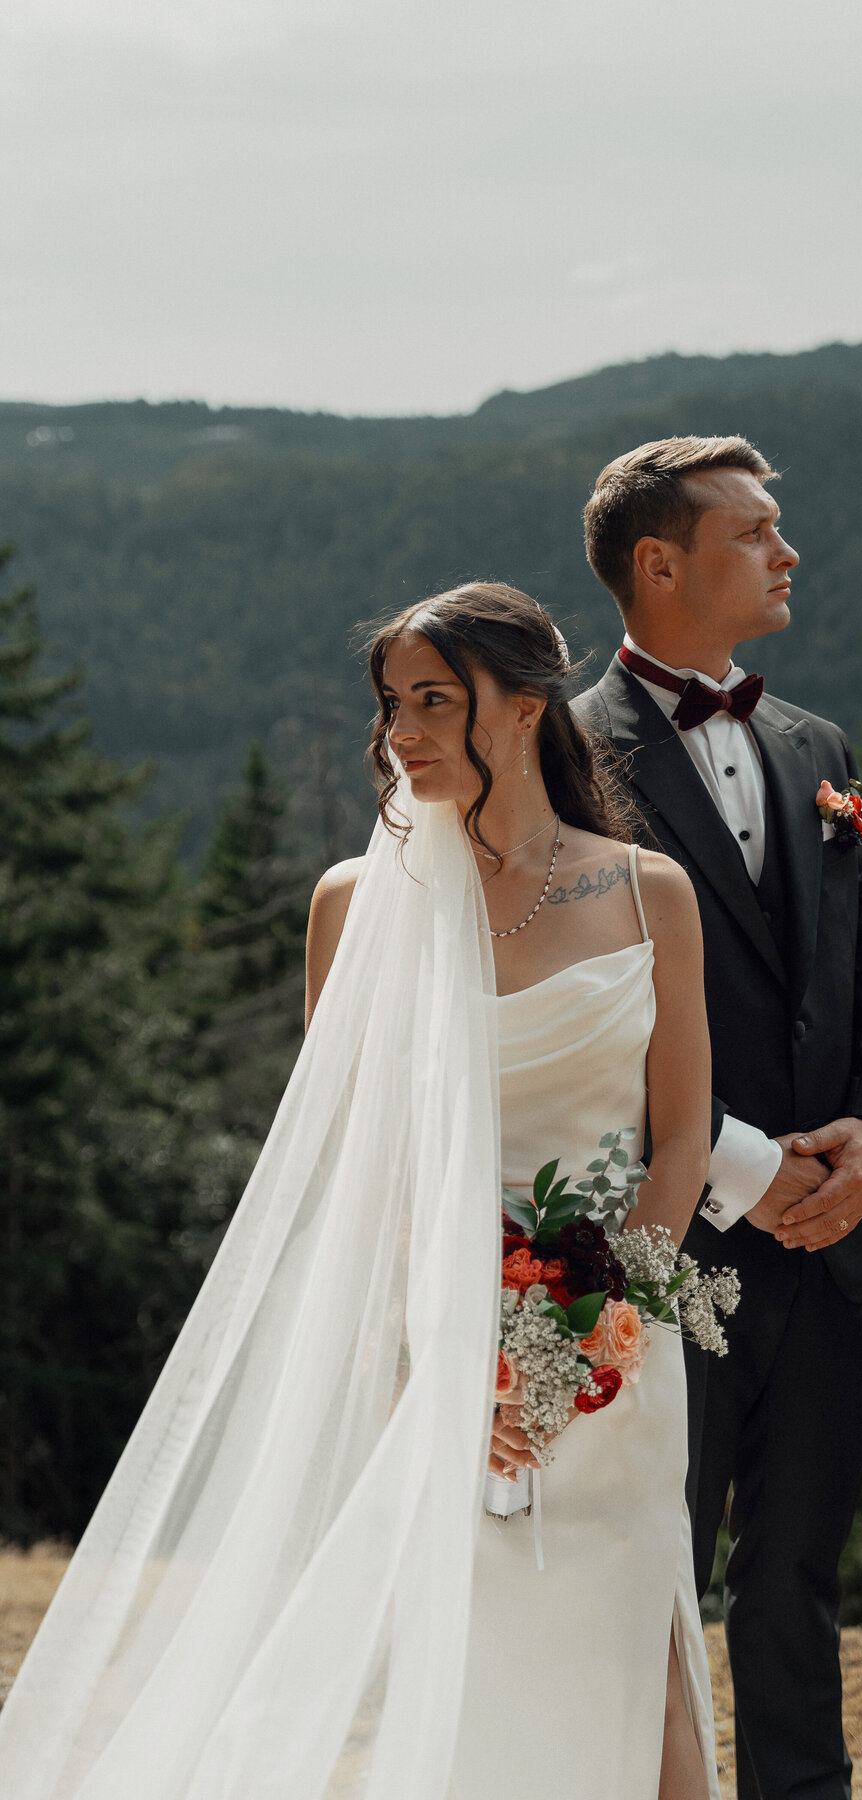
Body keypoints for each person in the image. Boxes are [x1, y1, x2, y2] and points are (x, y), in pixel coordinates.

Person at [0, 583, 721, 1800]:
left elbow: (684, 1138)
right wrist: (438, 1339)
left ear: (529, 699)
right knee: (466, 1662)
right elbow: (357, 1160)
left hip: (621, 1349)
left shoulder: (650, 893)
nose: (403, 732)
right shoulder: (354, 904)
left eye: (435, 701)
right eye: (392, 705)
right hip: (436, 1350)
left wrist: (596, 1323)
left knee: (641, 1663)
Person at [573, 437, 862, 1800]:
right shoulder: (570, 762)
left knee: (798, 1584)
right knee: (646, 1579)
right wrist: (735, 1165)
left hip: (834, 1245)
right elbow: (588, 1002)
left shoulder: (817, 746)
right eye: (755, 534)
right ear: (661, 564)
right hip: (668, 1246)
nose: (787, 554)